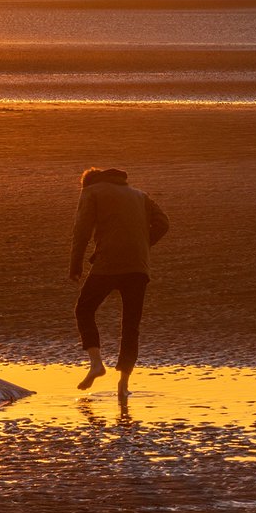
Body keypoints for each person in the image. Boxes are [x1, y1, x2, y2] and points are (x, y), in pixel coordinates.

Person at [69, 167, 169, 401]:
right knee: (131, 324)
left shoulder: (91, 191)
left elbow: (81, 231)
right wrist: (143, 245)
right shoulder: (139, 195)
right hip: (138, 266)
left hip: (108, 264)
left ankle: (96, 364)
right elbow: (163, 223)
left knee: (84, 309)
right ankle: (123, 386)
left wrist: (76, 266)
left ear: (87, 182)